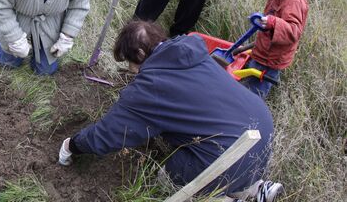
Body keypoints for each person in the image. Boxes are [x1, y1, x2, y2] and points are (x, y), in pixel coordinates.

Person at [58, 20, 283, 201]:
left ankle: (222, 198)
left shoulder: (151, 87)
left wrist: (73, 145)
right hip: (262, 133)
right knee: (228, 160)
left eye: (130, 65)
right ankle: (256, 189)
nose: (133, 72)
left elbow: (110, 133)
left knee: (167, 176)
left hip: (228, 152)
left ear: (138, 54)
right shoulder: (194, 52)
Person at [243, 0, 308, 98]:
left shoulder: (294, 0)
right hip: (263, 49)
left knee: (255, 94)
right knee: (249, 81)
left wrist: (273, 22)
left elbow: (293, 31)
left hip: (270, 60)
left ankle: (252, 119)